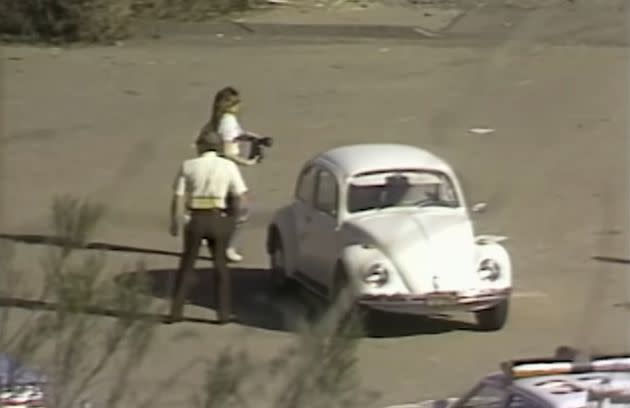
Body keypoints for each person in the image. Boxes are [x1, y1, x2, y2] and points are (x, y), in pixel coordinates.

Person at [168, 129, 248, 324]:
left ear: (201, 146)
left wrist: (175, 221)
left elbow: (178, 197)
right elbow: (241, 197)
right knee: (220, 266)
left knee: (187, 265)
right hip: (218, 217)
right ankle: (223, 314)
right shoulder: (228, 166)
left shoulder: (188, 166)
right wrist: (234, 219)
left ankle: (176, 312)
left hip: (196, 218)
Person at [198, 86, 264, 262]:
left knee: (221, 206)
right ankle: (226, 247)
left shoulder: (218, 119)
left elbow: (233, 136)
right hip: (227, 170)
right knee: (241, 210)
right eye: (236, 102)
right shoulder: (227, 121)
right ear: (229, 106)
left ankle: (204, 232)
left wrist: (249, 136)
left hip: (215, 169)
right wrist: (248, 162)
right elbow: (228, 152)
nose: (240, 105)